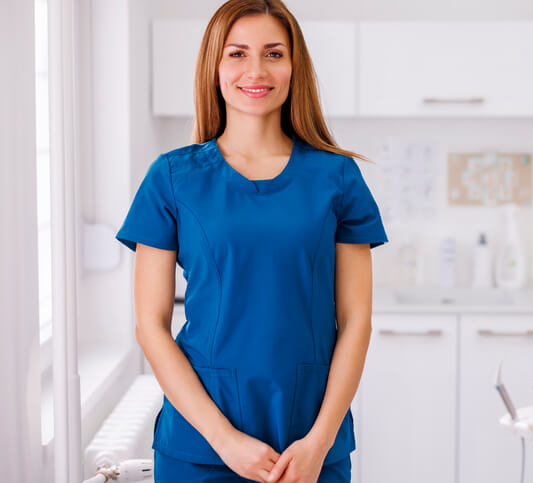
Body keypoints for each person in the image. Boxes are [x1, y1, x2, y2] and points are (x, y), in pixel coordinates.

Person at [115, 1, 388, 481]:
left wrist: (319, 442)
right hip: (201, 445)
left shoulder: (337, 177)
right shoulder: (172, 178)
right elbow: (150, 327)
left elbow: (356, 321)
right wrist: (223, 439)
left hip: (310, 446)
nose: (256, 70)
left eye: (274, 53)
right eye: (237, 53)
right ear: (214, 67)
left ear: (293, 67)